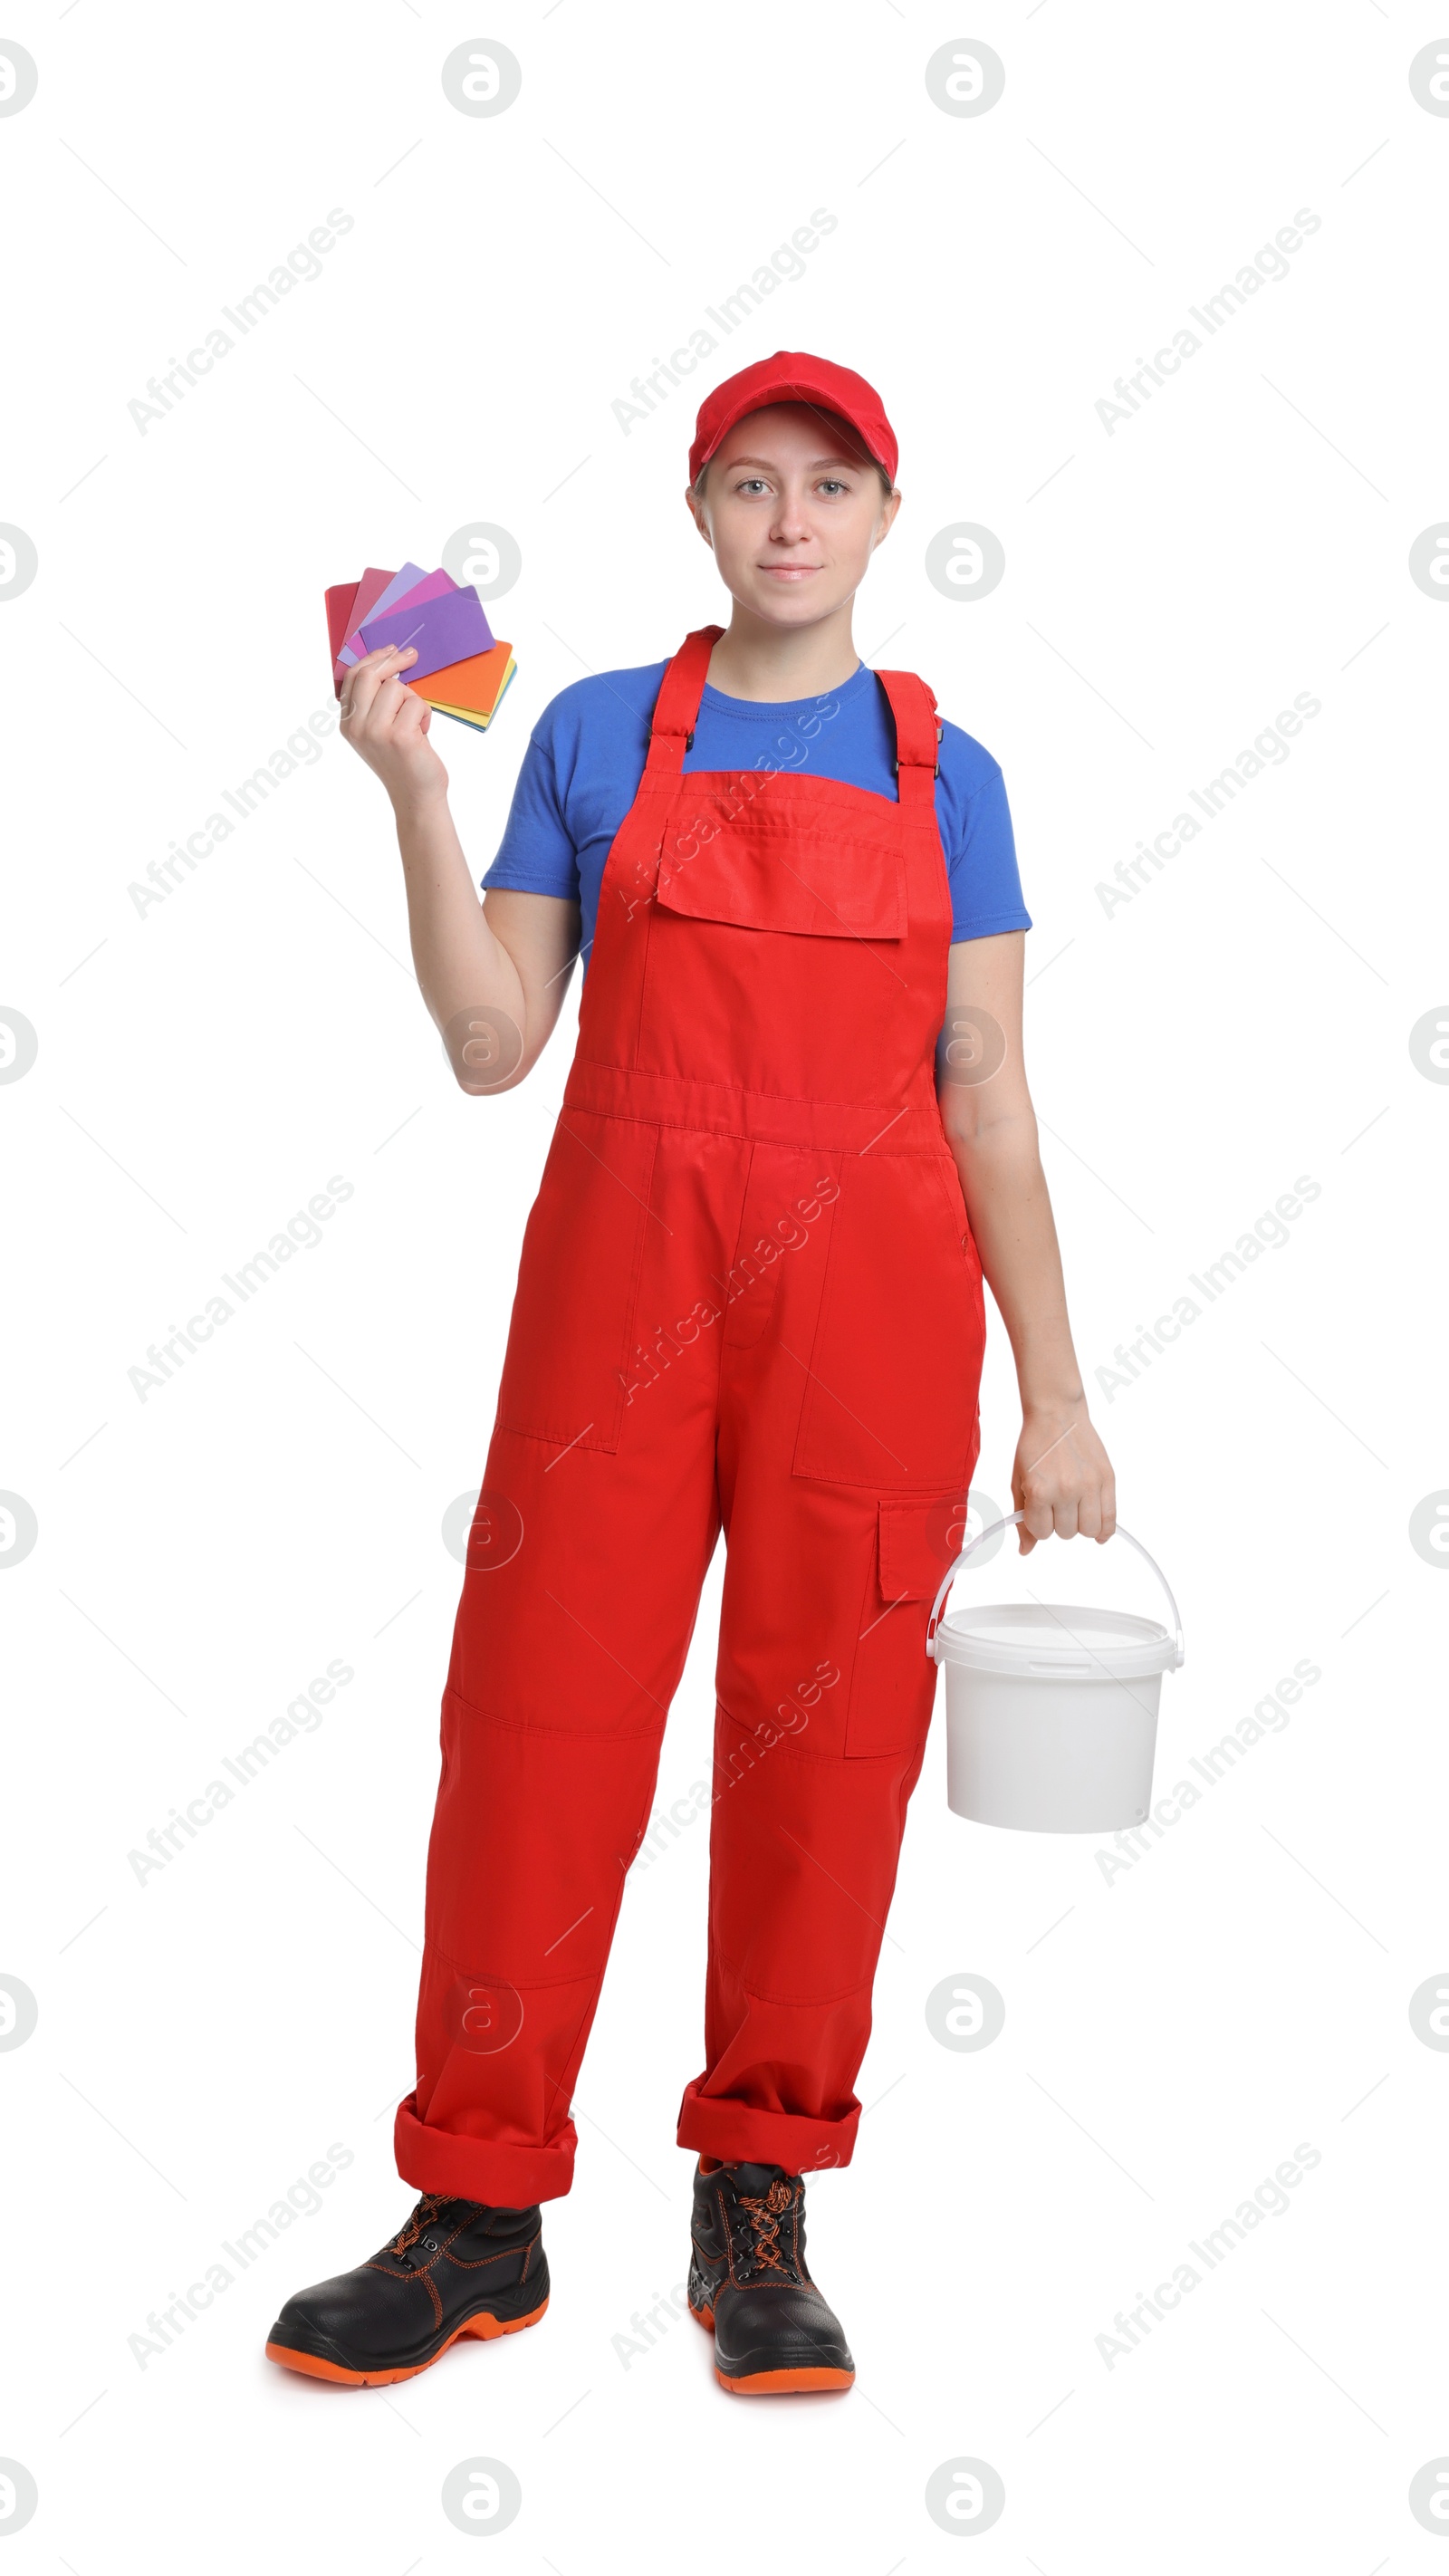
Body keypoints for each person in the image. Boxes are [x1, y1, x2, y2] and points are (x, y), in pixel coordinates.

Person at [266, 351, 1115, 2397]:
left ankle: (760, 2197)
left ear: (887, 516)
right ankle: (478, 2204)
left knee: (825, 1759)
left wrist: (1057, 1396)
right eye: (751, 482)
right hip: (615, 1310)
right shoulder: (580, 733)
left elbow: (985, 1098)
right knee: (537, 1726)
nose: (790, 520)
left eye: (829, 484)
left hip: (877, 1322)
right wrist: (416, 797)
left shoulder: (948, 775)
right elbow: (491, 1053)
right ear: (699, 509)